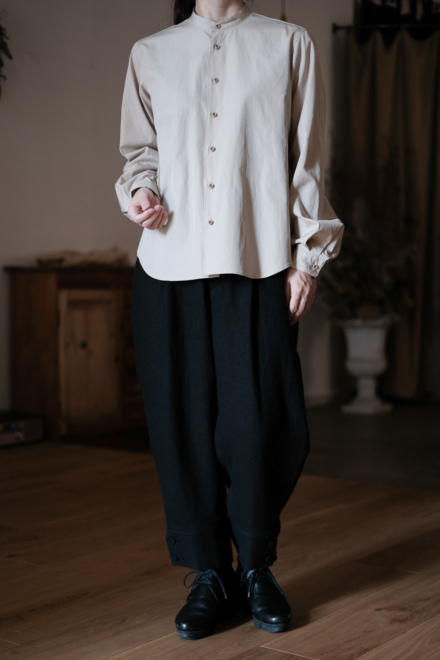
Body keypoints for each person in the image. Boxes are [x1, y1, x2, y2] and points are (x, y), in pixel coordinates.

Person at [115, 0, 344, 641]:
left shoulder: (289, 44)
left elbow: (306, 159)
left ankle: (257, 568)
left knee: (260, 425)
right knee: (181, 428)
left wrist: (307, 259)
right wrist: (140, 191)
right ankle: (211, 575)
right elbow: (139, 153)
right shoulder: (150, 53)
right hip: (169, 266)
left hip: (259, 261)